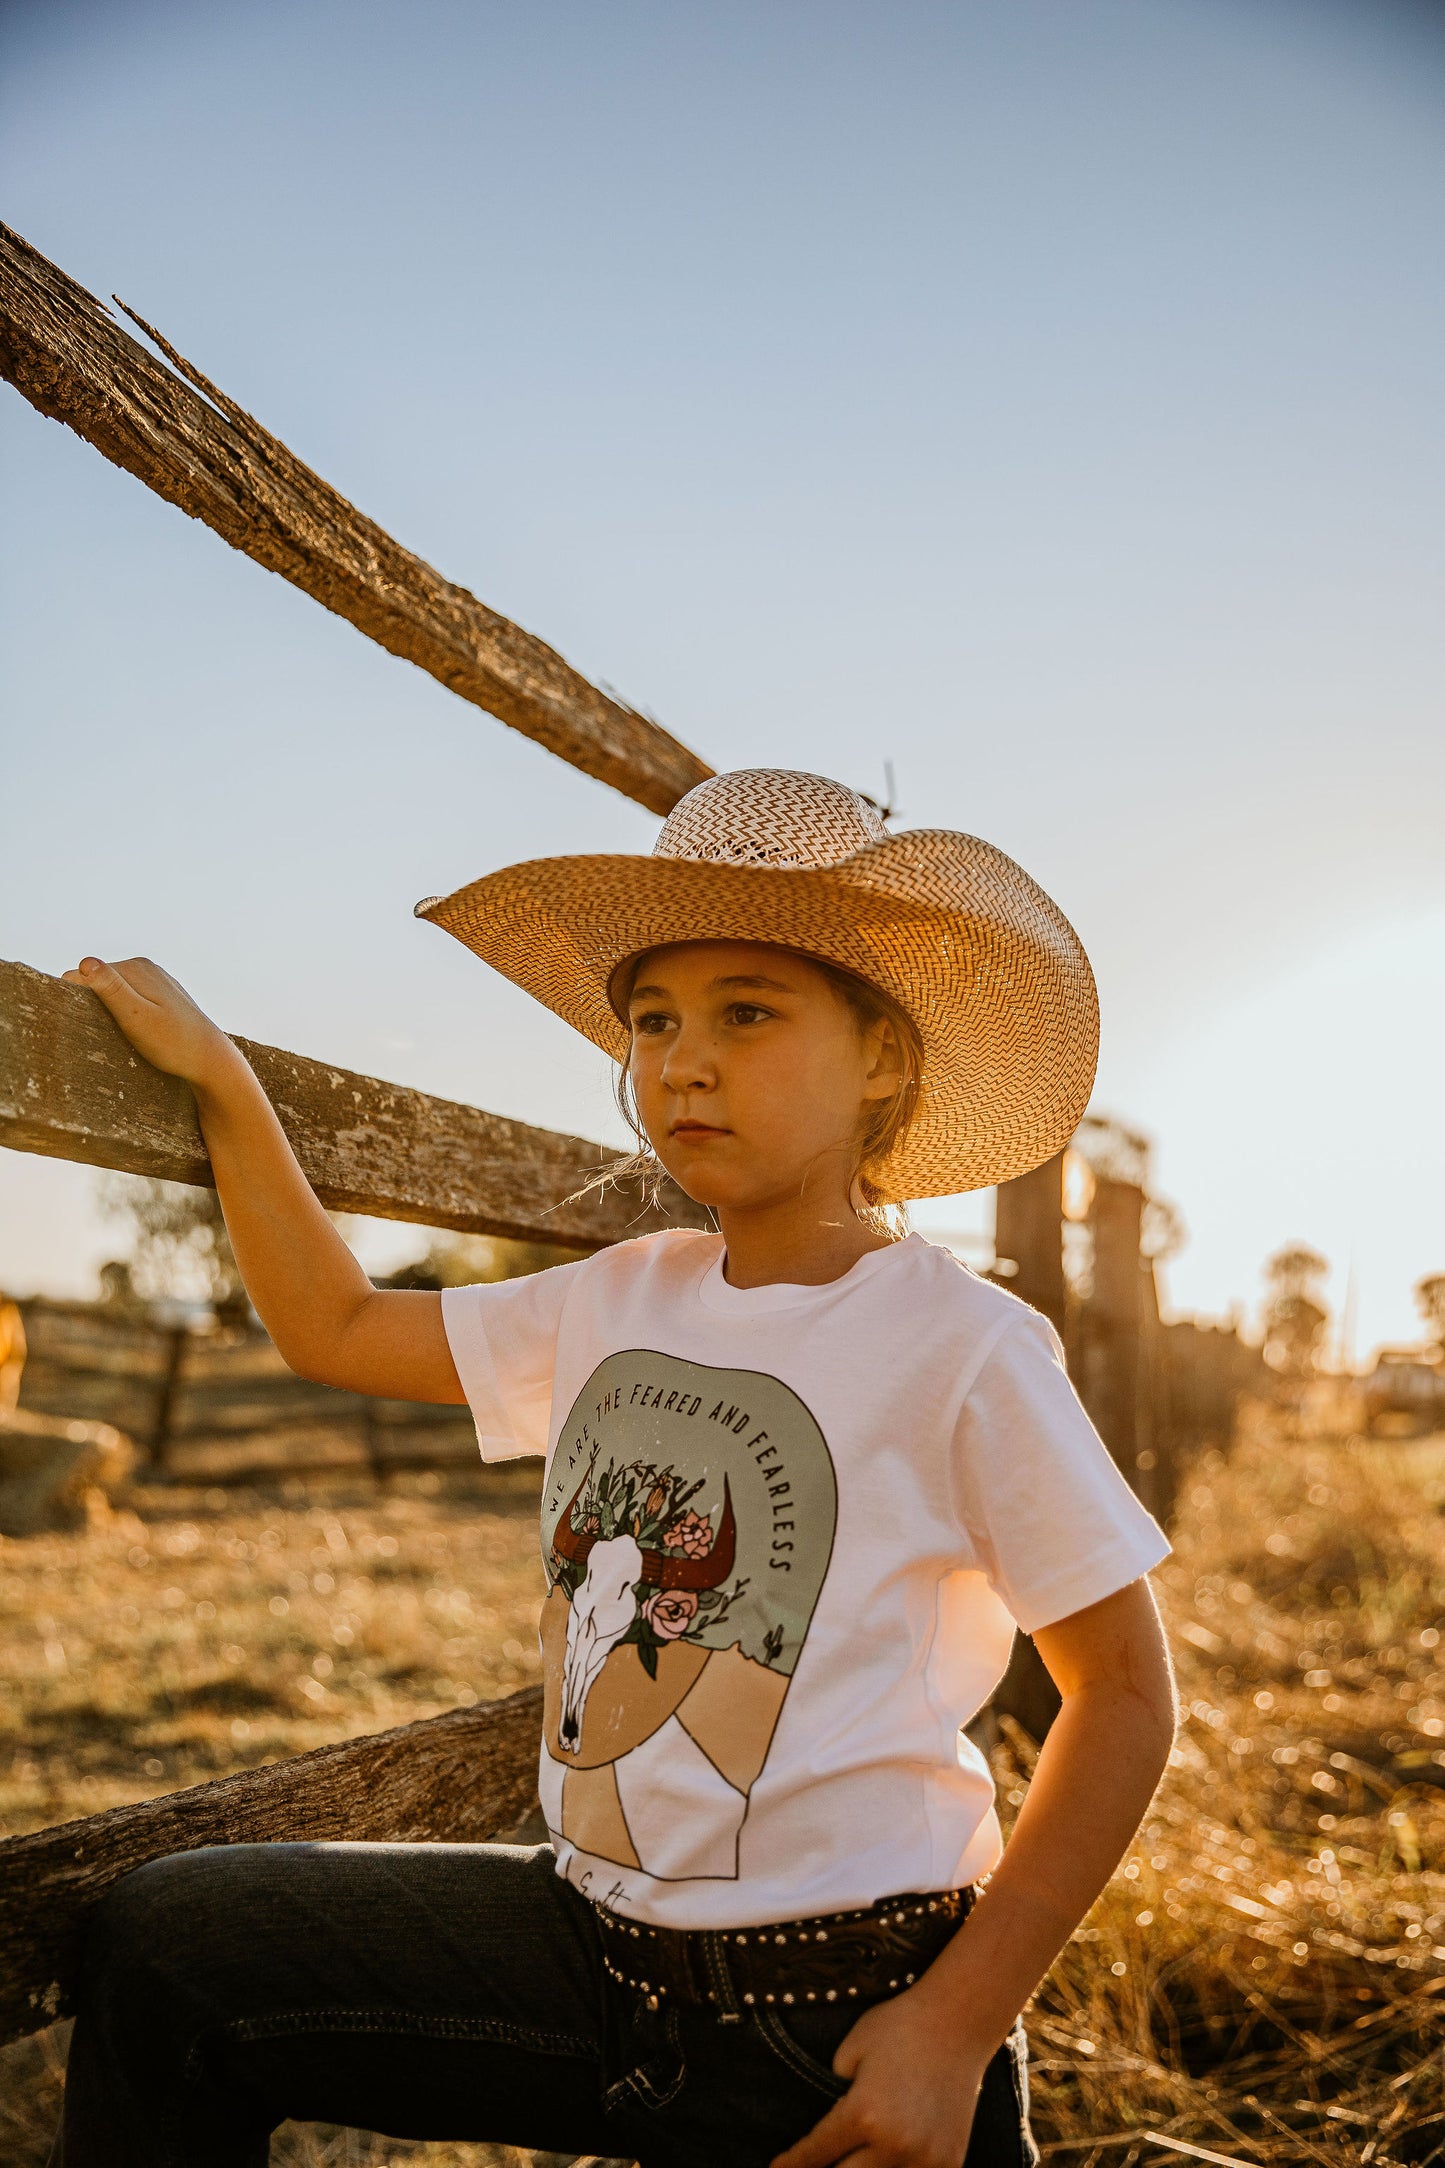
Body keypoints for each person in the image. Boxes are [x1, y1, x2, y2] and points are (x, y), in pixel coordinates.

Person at [54, 769, 1176, 2168]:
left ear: (882, 1056)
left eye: (746, 1013)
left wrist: (954, 2024)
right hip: (590, 1954)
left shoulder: (961, 1346)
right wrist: (227, 1087)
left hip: (837, 2015)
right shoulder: (615, 1296)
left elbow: (1124, 1699)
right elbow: (334, 1326)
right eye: (652, 1021)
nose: (680, 1062)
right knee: (170, 1950)